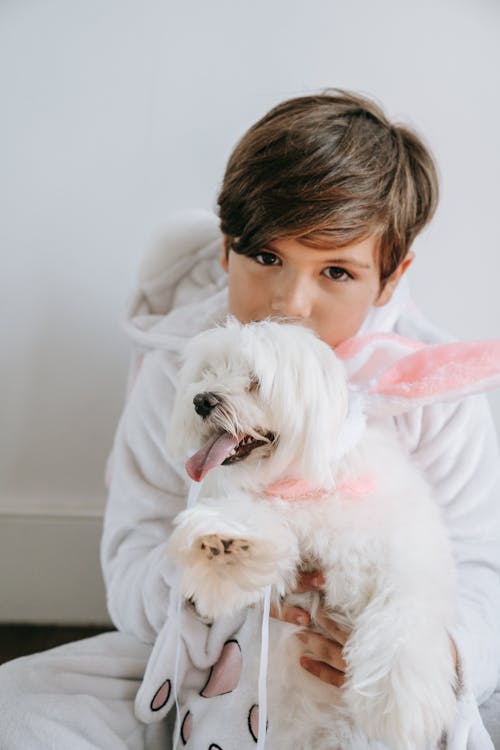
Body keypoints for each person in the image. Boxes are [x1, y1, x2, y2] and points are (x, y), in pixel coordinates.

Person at [0, 90, 499, 749]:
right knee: (25, 714)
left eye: (336, 272)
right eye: (267, 258)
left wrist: (434, 651)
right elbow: (131, 556)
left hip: (368, 663)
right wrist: (210, 578)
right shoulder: (181, 371)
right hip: (198, 658)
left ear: (390, 276)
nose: (290, 302)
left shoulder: (433, 392)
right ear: (225, 248)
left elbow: (478, 568)